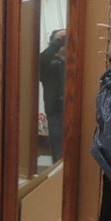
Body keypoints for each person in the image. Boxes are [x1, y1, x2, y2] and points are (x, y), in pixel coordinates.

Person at [40, 29, 66, 163]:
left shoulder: (75, 60)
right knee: (59, 154)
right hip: (55, 113)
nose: (65, 41)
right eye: (62, 38)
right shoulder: (48, 63)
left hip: (77, 110)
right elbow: (39, 62)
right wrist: (58, 42)